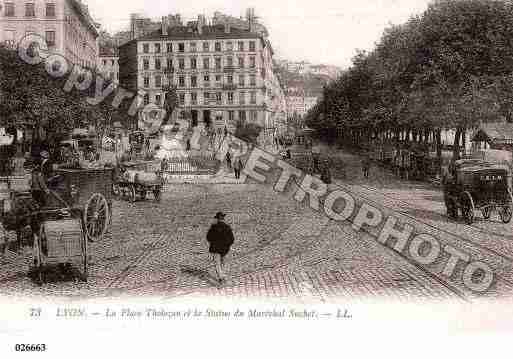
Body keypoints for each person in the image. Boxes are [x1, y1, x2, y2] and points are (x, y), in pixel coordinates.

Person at [206, 212, 235, 284]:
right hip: (224, 249)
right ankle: (223, 276)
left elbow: (208, 237)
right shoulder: (227, 227)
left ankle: (220, 277)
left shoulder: (213, 227)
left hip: (215, 248)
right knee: (224, 262)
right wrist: (227, 245)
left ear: (217, 219)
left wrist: (213, 243)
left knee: (217, 263)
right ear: (223, 218)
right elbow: (232, 239)